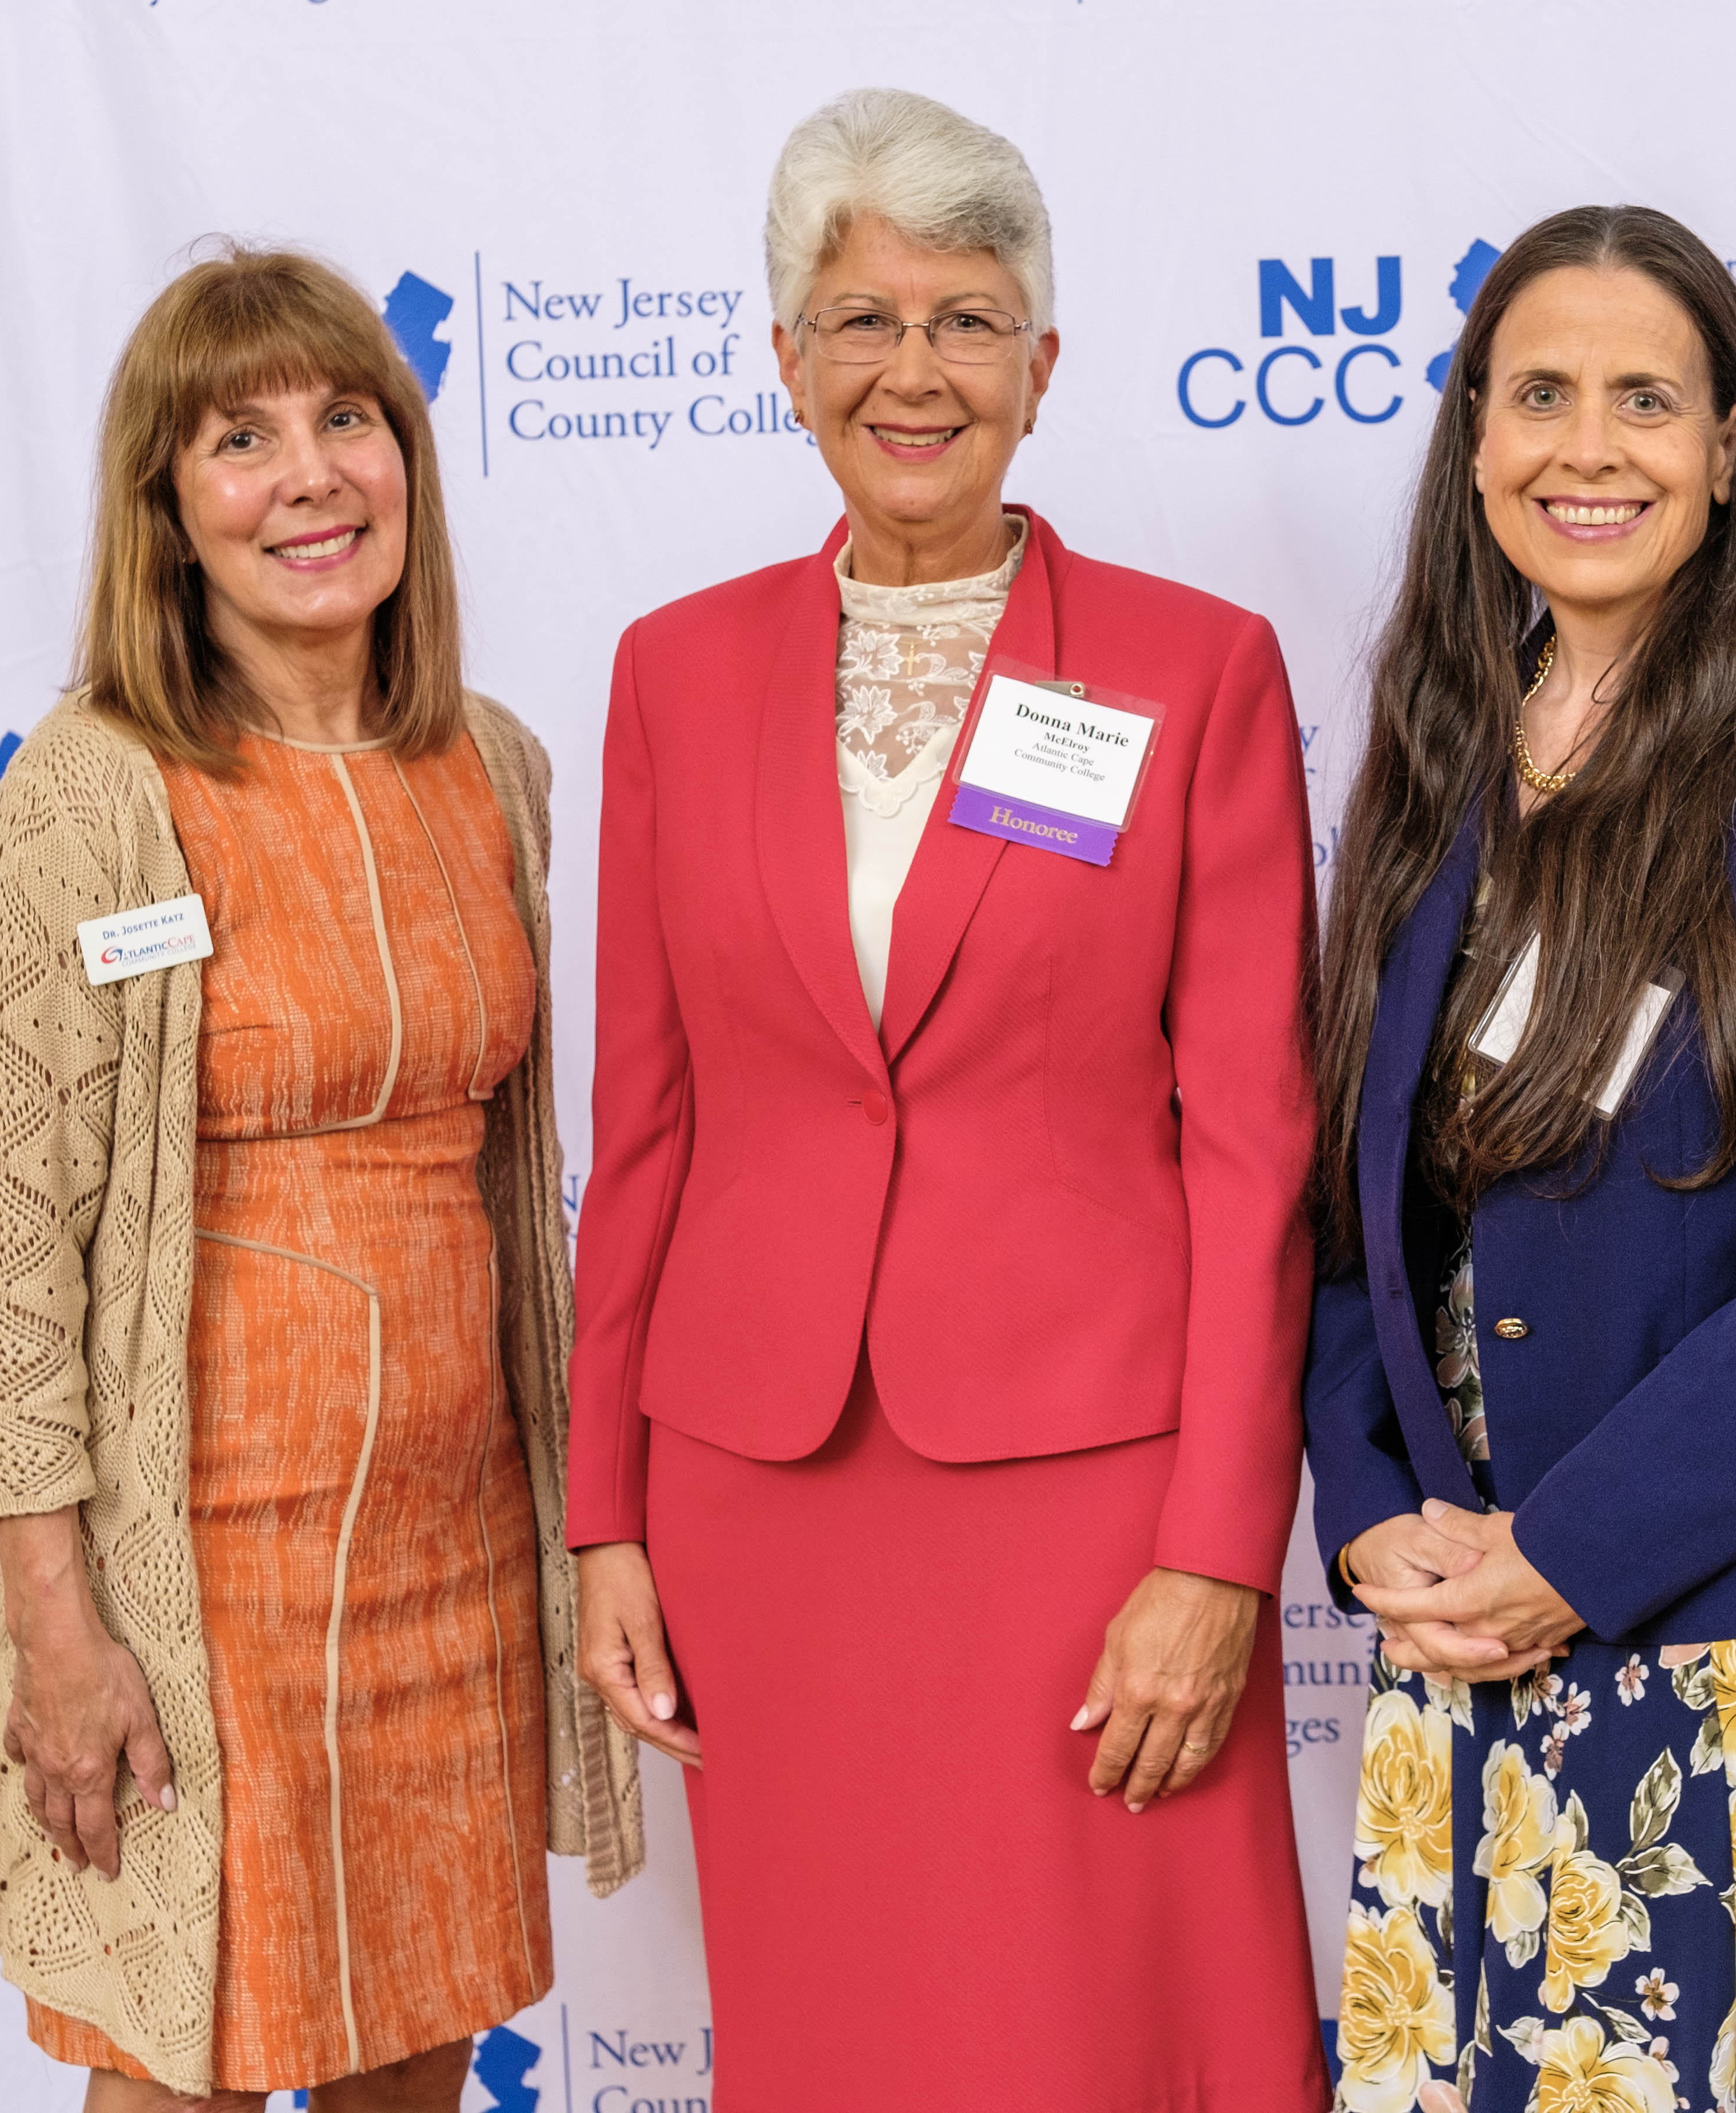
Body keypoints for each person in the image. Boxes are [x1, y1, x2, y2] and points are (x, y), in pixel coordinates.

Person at [562, 89, 1324, 2111]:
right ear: (789, 357)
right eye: (866, 318)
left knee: (1105, 2017)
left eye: (970, 320)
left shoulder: (1197, 670)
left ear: (1044, 366)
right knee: (838, 2027)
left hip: (1091, 1489)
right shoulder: (672, 672)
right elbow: (643, 1120)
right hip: (761, 1488)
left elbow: (1257, 1147)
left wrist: (1223, 1550)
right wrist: (603, 1512)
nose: (918, 369)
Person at [0, 248, 641, 2112]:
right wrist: (61, 1622)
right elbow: (5, 1260)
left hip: (457, 1549)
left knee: (419, 2035)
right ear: (167, 514)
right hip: (191, 1568)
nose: (310, 477)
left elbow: (518, 1183)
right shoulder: (91, 793)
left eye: (348, 421)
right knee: (194, 2063)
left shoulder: (494, 767)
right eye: (239, 440)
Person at [1303, 204, 1736, 2113]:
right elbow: (1355, 1219)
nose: (1587, 448)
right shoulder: (1431, 756)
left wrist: (1570, 1557)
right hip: (1460, 1628)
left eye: (1645, 399)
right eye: (1540, 395)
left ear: (1731, 445)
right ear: (1474, 436)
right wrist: (1371, 1518)